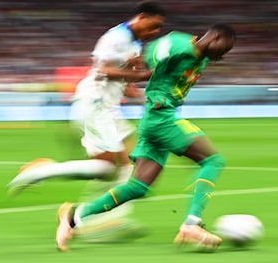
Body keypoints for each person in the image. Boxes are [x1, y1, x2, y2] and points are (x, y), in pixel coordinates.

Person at [55, 23, 236, 252]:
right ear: (215, 36)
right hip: (162, 117)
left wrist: (144, 73)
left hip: (155, 120)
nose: (223, 56)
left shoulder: (202, 57)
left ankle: (72, 218)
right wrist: (142, 63)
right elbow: (155, 52)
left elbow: (158, 71)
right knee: (213, 161)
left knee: (137, 187)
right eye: (224, 48)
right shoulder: (179, 44)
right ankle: (192, 224)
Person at [7, 0, 165, 196]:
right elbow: (102, 70)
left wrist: (149, 100)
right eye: (153, 26)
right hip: (95, 103)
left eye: (158, 28)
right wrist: (143, 74)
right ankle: (43, 173)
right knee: (108, 169)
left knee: (125, 163)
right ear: (141, 17)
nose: (155, 32)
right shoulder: (116, 37)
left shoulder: (136, 45)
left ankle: (101, 216)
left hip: (108, 108)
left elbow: (127, 86)